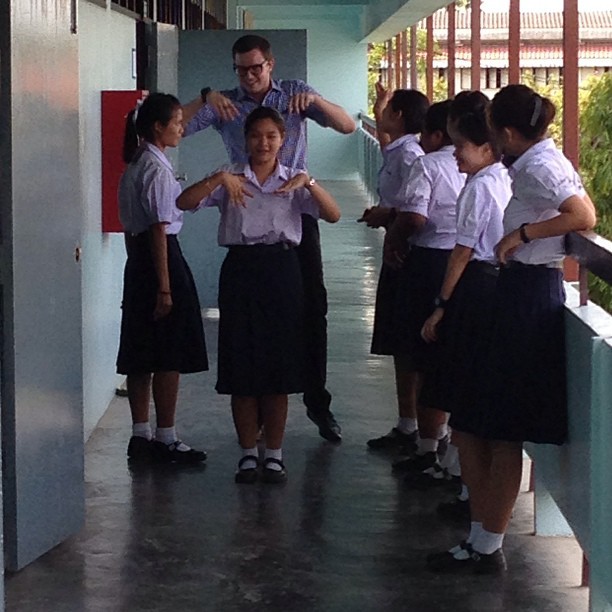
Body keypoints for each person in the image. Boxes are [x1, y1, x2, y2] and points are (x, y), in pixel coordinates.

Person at [427, 84, 596, 574]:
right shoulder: (529, 163)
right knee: (476, 424)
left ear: (504, 132)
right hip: (514, 290)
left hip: (528, 294)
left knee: (498, 429)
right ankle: (481, 537)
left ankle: (486, 545)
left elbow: (583, 215)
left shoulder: (542, 165)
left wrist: (521, 234)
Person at [181, 34, 355, 443]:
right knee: (247, 321)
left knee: (311, 308)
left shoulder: (294, 93)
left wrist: (314, 102)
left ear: (270, 65)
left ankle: (316, 399)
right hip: (244, 207)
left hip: (293, 209)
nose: (250, 76)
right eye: (242, 69)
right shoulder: (226, 103)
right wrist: (206, 97)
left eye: (257, 67)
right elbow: (175, 128)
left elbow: (347, 125)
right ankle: (251, 411)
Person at [177, 107, 341, 484]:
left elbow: (332, 215)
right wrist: (218, 178)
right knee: (243, 366)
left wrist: (311, 182)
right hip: (241, 271)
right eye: (256, 136)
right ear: (245, 139)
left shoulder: (294, 181)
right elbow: (184, 203)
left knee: (278, 368)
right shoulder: (231, 175)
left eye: (271, 136)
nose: (263, 143)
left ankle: (275, 455)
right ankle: (248, 453)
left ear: (283, 140)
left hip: (283, 272)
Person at [416, 91, 511, 495]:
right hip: (496, 284)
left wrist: (441, 305)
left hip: (476, 285)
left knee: (461, 381)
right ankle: (457, 470)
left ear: (487, 147)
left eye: (460, 147)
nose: (454, 155)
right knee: (470, 384)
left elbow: (462, 250)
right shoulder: (504, 177)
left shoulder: (479, 186)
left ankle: (463, 479)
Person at [117, 93, 209, 464]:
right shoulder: (156, 169)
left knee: (141, 353)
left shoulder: (136, 163)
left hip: (139, 260)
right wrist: (165, 286)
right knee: (168, 354)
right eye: (177, 122)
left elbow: (131, 231)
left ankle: (141, 434)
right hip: (161, 258)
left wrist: (137, 269)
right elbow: (159, 228)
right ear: (158, 127)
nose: (181, 128)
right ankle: (166, 437)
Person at [382, 101, 465, 474]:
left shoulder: (428, 164)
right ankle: (439, 438)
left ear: (434, 135)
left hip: (429, 261)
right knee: (447, 355)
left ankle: (427, 445)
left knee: (421, 354)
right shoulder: (489, 170)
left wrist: (394, 236)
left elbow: (415, 217)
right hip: (463, 264)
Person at [361, 84, 429, 452]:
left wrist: (388, 218)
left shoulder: (412, 156)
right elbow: (386, 138)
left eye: (388, 109)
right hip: (397, 244)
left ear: (400, 115)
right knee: (401, 343)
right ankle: (408, 422)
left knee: (409, 344)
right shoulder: (399, 148)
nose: (381, 115)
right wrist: (379, 105)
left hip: (405, 250)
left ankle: (416, 426)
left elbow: (413, 209)